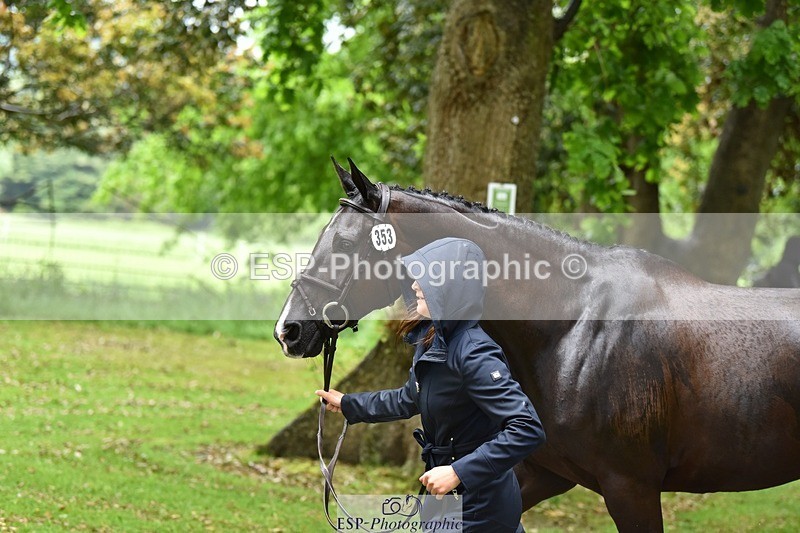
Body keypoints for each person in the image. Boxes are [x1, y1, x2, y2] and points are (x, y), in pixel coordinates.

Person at [316, 237, 546, 532]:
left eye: (426, 278)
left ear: (452, 289)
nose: (414, 286)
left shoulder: (474, 352)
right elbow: (409, 398)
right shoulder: (433, 339)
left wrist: (457, 472)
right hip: (446, 497)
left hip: (481, 506)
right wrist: (349, 403)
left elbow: (527, 428)